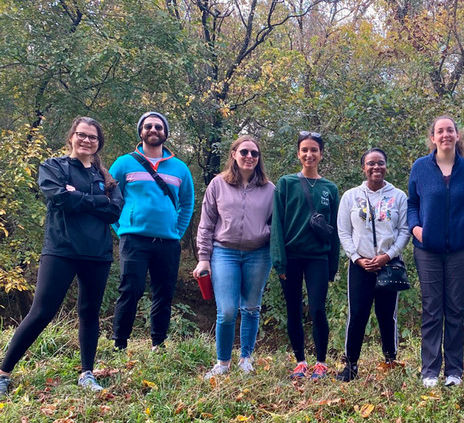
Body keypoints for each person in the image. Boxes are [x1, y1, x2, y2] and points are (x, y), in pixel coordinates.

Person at [0, 117, 124, 397]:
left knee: (89, 313)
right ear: (71, 137)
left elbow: (115, 211)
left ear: (98, 143)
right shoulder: (53, 167)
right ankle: (3, 373)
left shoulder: (107, 178)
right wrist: (96, 201)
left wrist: (80, 197)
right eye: (82, 135)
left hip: (97, 254)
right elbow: (59, 198)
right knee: (41, 311)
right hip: (61, 250)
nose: (87, 141)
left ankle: (87, 373)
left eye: (93, 137)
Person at [109, 111, 194, 351]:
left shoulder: (179, 168)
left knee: (164, 292)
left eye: (158, 126)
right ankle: (120, 344)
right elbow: (112, 197)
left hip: (168, 241)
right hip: (134, 239)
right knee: (130, 290)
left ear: (165, 133)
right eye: (148, 126)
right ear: (141, 132)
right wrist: (122, 228)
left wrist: (176, 230)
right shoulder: (124, 163)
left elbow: (187, 203)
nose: (153, 130)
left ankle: (158, 342)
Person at [193, 136, 275, 379]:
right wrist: (203, 258)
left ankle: (245, 359)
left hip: (258, 253)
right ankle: (223, 363)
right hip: (224, 252)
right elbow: (206, 225)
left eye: (254, 153)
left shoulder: (270, 189)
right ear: (234, 154)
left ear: (259, 158)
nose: (249, 157)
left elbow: (278, 226)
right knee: (227, 310)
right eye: (244, 152)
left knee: (251, 308)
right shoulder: (218, 184)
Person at [408, 115, 464, 388]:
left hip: (460, 249)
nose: (445, 135)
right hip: (427, 249)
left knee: (455, 309)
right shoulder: (420, 167)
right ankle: (430, 371)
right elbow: (412, 204)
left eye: (450, 130)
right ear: (432, 138)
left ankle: (454, 371)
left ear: (457, 136)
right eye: (440, 131)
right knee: (432, 309)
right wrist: (416, 229)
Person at [336, 148, 411, 381]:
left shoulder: (398, 196)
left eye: (380, 163)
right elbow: (343, 231)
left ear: (386, 166)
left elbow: (405, 230)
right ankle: (350, 365)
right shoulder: (350, 196)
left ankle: (390, 360)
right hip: (360, 266)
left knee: (387, 315)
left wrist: (388, 255)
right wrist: (357, 258)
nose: (376, 167)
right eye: (371, 164)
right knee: (357, 314)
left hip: (389, 265)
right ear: (363, 168)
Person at [271, 131, 340, 380]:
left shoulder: (330, 188)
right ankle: (300, 361)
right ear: (298, 153)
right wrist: (278, 260)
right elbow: (276, 224)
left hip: (317, 259)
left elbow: (334, 231)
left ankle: (321, 363)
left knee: (318, 309)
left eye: (314, 150)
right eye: (305, 150)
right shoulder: (286, 183)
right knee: (293, 309)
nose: (309, 154)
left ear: (321, 154)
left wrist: (333, 264)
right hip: (290, 257)